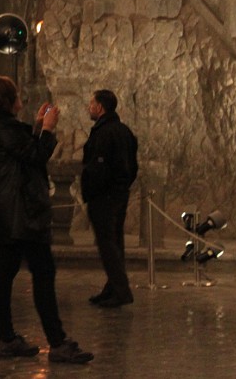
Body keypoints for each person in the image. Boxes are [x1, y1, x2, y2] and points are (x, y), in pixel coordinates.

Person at [0, 75, 93, 364]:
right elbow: (36, 155)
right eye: (17, 95)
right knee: (42, 273)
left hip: (8, 212)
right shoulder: (6, 129)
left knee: (6, 271)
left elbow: (22, 154)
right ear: (7, 100)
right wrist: (49, 130)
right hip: (23, 213)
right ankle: (57, 342)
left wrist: (39, 126)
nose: (22, 99)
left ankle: (7, 338)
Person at [82, 89, 139, 308]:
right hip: (118, 194)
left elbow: (99, 167)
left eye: (91, 103)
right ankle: (112, 288)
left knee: (108, 245)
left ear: (100, 107)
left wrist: (93, 189)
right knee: (115, 243)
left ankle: (122, 291)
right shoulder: (123, 131)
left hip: (104, 197)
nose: (89, 107)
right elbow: (132, 165)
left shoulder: (104, 132)